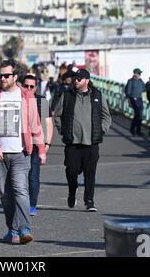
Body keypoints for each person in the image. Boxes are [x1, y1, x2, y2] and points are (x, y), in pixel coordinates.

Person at [0, 59, 46, 245]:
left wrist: (41, 148)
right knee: (5, 194)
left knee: (21, 190)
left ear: (15, 77)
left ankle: (25, 228)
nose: (2, 78)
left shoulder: (26, 96)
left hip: (20, 153)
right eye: (0, 75)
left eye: (6, 75)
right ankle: (12, 230)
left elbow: (35, 124)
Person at [54, 69, 111, 212]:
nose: (76, 81)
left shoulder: (97, 95)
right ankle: (72, 191)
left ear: (86, 80)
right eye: (75, 79)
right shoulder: (67, 95)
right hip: (72, 143)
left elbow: (106, 117)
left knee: (90, 173)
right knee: (71, 171)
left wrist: (102, 129)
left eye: (79, 79)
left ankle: (89, 201)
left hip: (91, 143)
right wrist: (63, 130)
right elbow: (57, 115)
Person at [23, 74, 53, 216]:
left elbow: (48, 124)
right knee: (18, 176)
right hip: (19, 144)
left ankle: (32, 205)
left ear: (36, 87)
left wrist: (47, 143)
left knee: (33, 175)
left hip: (36, 143)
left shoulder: (42, 101)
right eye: (26, 86)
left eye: (31, 86)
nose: (28, 89)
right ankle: (21, 203)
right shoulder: (16, 100)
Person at [125, 68, 146, 136]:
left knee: (140, 115)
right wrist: (129, 100)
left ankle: (138, 131)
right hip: (133, 99)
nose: (139, 75)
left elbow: (144, 88)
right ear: (135, 73)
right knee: (137, 114)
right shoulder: (131, 81)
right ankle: (133, 129)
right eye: (138, 73)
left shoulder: (140, 81)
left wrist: (140, 79)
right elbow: (128, 91)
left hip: (139, 98)